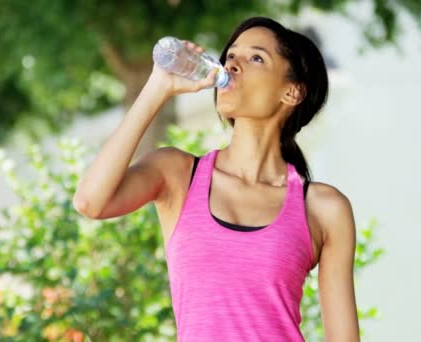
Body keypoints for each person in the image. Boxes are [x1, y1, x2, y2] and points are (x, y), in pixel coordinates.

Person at [73, 16, 359, 341]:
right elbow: (90, 202)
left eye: (256, 58)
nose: (233, 64)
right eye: (231, 56)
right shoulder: (178, 174)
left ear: (292, 92)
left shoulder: (323, 208)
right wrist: (158, 87)